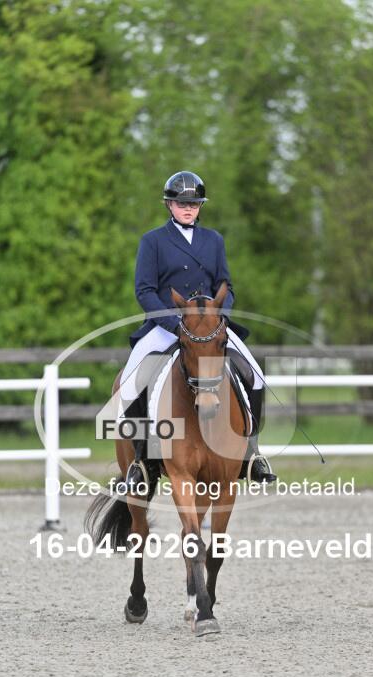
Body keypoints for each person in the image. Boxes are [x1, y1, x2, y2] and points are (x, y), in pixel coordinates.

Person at [121, 170, 276, 492]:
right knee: (130, 381)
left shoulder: (214, 240)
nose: (188, 209)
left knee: (256, 375)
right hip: (167, 325)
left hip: (209, 327)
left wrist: (219, 319)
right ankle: (141, 460)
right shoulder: (153, 241)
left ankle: (252, 454)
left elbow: (226, 286)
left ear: (200, 206)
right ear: (169, 205)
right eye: (182, 204)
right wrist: (174, 324)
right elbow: (144, 291)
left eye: (193, 204)